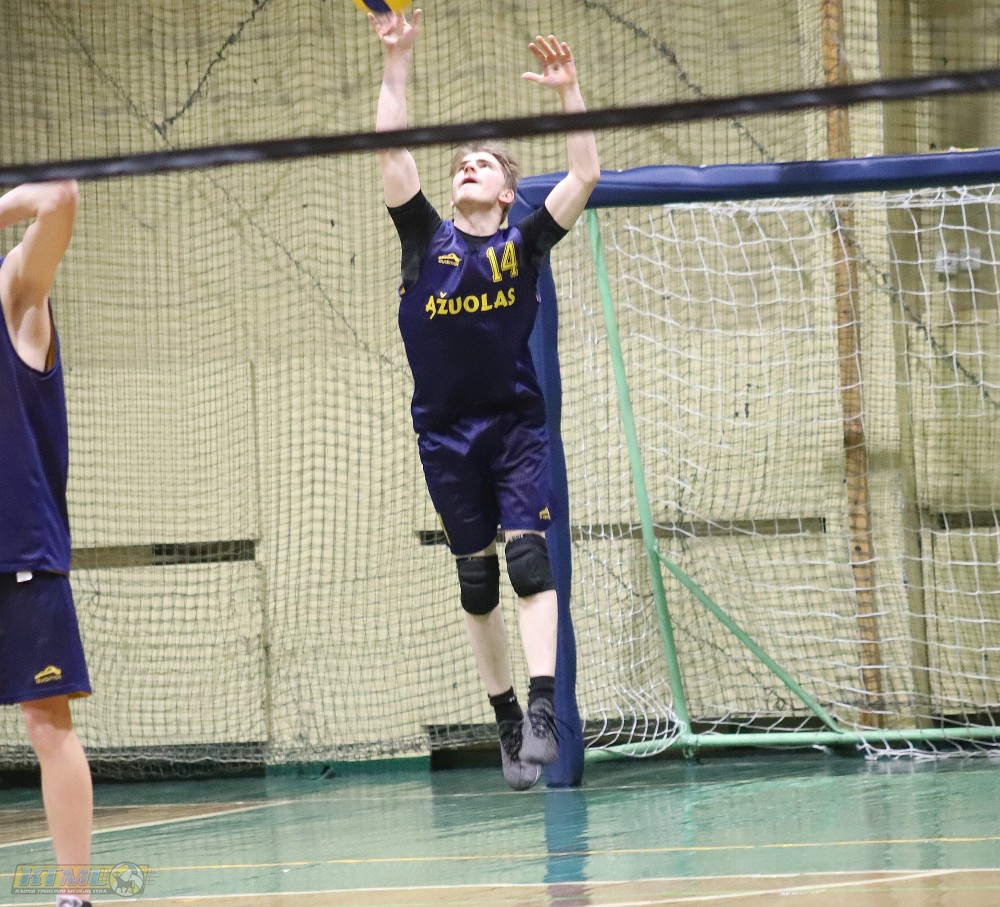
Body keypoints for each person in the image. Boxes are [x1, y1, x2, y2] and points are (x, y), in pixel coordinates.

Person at [368, 9, 599, 790]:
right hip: (443, 434)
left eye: (484, 164)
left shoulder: (523, 245)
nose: (467, 166)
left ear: (506, 193)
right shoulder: (423, 239)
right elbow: (391, 149)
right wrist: (398, 62)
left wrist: (568, 93)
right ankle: (504, 715)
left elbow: (585, 177)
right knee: (477, 580)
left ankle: (542, 707)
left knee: (528, 559)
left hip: (514, 426)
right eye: (461, 162)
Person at [0, 180, 94, 907]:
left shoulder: (16, 290)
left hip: (20, 548)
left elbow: (60, 196)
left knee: (45, 719)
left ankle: (73, 895)